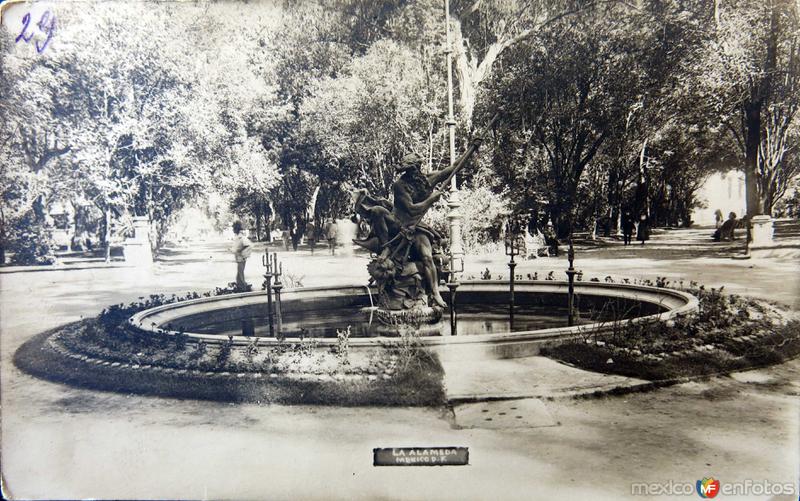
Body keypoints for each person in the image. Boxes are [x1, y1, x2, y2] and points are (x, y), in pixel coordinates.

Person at [230, 221, 252, 289]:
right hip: (238, 257)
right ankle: (240, 285)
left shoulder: (241, 237)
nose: (233, 230)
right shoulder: (237, 237)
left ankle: (243, 286)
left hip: (241, 258)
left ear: (237, 229)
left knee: (240, 273)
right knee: (239, 273)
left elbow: (248, 245)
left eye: (234, 228)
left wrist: (241, 251)